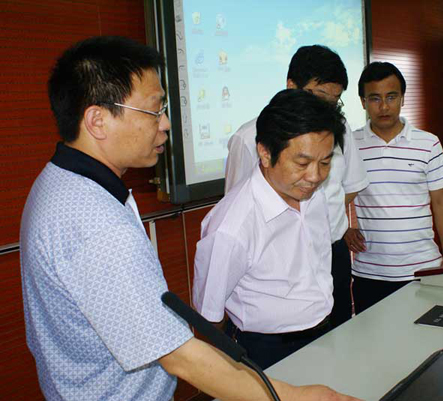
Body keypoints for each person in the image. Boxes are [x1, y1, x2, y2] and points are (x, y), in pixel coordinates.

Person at [20, 36, 358, 401]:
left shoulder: (64, 184)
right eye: (154, 111)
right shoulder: (95, 225)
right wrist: (297, 397)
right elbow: (180, 355)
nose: (165, 124)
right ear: (98, 120)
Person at [194, 89, 346, 369]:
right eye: (302, 163)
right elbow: (208, 317)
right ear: (265, 153)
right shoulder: (232, 227)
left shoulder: (312, 195)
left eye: (325, 162)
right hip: (265, 350)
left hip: (324, 332)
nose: (315, 176)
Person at [225, 45, 368, 328]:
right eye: (319, 96)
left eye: (335, 100)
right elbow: (236, 207)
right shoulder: (249, 137)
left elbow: (350, 185)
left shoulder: (338, 130)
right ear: (291, 86)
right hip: (278, 263)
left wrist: (318, 220)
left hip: (332, 252)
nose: (326, 108)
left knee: (339, 334)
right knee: (287, 344)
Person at [345, 62, 443, 314]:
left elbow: (442, 202)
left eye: (391, 97)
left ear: (402, 99)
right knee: (372, 337)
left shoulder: (428, 143)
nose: (384, 107)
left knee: (423, 335)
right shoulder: (350, 144)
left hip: (422, 267)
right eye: (375, 98)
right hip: (369, 271)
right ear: (363, 102)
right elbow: (335, 196)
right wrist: (343, 229)